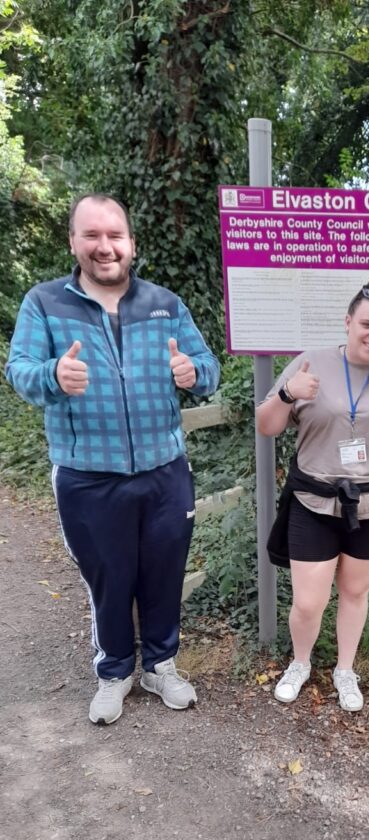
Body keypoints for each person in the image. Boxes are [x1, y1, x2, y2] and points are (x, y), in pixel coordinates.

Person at [6, 193, 220, 726]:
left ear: (131, 244)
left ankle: (161, 666)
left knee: (164, 572)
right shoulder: (45, 302)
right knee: (108, 575)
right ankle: (115, 671)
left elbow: (207, 365)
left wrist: (193, 374)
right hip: (87, 476)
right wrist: (53, 375)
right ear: (74, 242)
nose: (106, 247)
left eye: (115, 236)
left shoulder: (164, 304)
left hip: (164, 470)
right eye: (93, 236)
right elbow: (20, 371)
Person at [257, 278, 369, 712]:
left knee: (356, 593)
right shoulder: (309, 364)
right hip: (314, 501)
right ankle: (300, 662)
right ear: (348, 322)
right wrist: (286, 393)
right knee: (308, 601)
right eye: (367, 324)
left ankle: (344, 668)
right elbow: (267, 425)